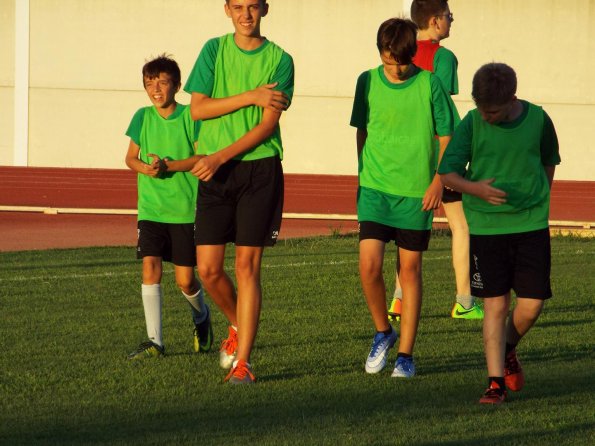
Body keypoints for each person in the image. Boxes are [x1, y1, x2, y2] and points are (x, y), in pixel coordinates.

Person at [184, 0, 294, 384]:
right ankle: (236, 323)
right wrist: (250, 95)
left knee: (247, 267)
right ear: (226, 10)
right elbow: (198, 109)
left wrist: (219, 157)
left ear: (266, 8)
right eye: (238, 7)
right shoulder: (213, 50)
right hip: (214, 171)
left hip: (259, 170)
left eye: (252, 6)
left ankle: (244, 362)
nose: (246, 14)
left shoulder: (281, 59)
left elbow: (267, 126)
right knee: (209, 270)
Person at [438, 62, 560, 404]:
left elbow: (549, 160)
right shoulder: (473, 123)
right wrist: (475, 189)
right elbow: (447, 173)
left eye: (493, 111)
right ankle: (495, 384)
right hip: (488, 228)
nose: (486, 116)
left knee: (532, 305)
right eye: (482, 109)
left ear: (512, 99)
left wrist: (539, 197)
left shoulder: (538, 120)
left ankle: (507, 348)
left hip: (531, 224)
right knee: (494, 305)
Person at [351, 18, 457, 378]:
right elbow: (362, 131)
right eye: (386, 60)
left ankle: (406, 356)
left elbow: (447, 136)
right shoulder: (366, 81)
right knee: (368, 266)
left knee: (409, 271)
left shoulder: (431, 84)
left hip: (416, 194)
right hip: (376, 189)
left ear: (411, 54)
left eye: (398, 60)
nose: (392, 68)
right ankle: (383, 331)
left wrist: (438, 182)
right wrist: (363, 173)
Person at [389, 0, 484, 322]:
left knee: (408, 230)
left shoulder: (397, 54)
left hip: (407, 154)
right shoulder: (443, 57)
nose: (451, 21)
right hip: (440, 153)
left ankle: (398, 300)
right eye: (448, 16)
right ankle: (464, 300)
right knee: (460, 225)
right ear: (434, 20)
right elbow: (439, 106)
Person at [125, 54, 212, 360]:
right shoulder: (142, 117)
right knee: (150, 266)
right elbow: (130, 157)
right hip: (151, 209)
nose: (156, 89)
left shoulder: (191, 116)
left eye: (162, 82)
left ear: (176, 84)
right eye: (150, 83)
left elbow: (201, 158)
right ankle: (155, 342)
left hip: (185, 210)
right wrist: (143, 168)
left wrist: (170, 165)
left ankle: (201, 317)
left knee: (185, 279)